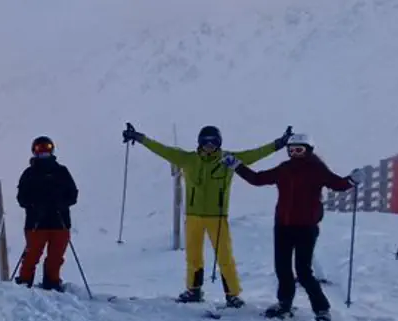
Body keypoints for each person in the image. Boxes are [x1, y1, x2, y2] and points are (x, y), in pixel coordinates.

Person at [123, 123, 292, 307]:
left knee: (224, 257)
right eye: (206, 142)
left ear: (219, 143)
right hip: (193, 216)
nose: (209, 145)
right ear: (200, 143)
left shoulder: (229, 160)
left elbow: (255, 153)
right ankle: (193, 290)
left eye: (213, 142)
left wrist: (279, 144)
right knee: (193, 256)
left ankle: (232, 294)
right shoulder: (188, 159)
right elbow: (162, 150)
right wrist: (139, 138)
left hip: (217, 217)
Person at [232, 134, 356, 321]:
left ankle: (322, 309)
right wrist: (236, 166)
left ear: (309, 150)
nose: (295, 153)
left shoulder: (316, 169)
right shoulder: (285, 169)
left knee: (303, 271)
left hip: (306, 227)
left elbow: (337, 184)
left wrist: (352, 181)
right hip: (283, 226)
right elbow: (257, 179)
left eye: (300, 150)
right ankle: (284, 304)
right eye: (292, 150)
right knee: (282, 268)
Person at [14, 136, 79, 290]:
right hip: (37, 222)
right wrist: (35, 206)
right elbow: (22, 198)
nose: (43, 154)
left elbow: (73, 194)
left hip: (59, 221)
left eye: (46, 150)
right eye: (39, 150)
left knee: (56, 257)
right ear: (34, 152)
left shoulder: (61, 172)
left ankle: (52, 282)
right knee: (32, 255)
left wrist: (61, 204)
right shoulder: (29, 174)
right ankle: (24, 283)